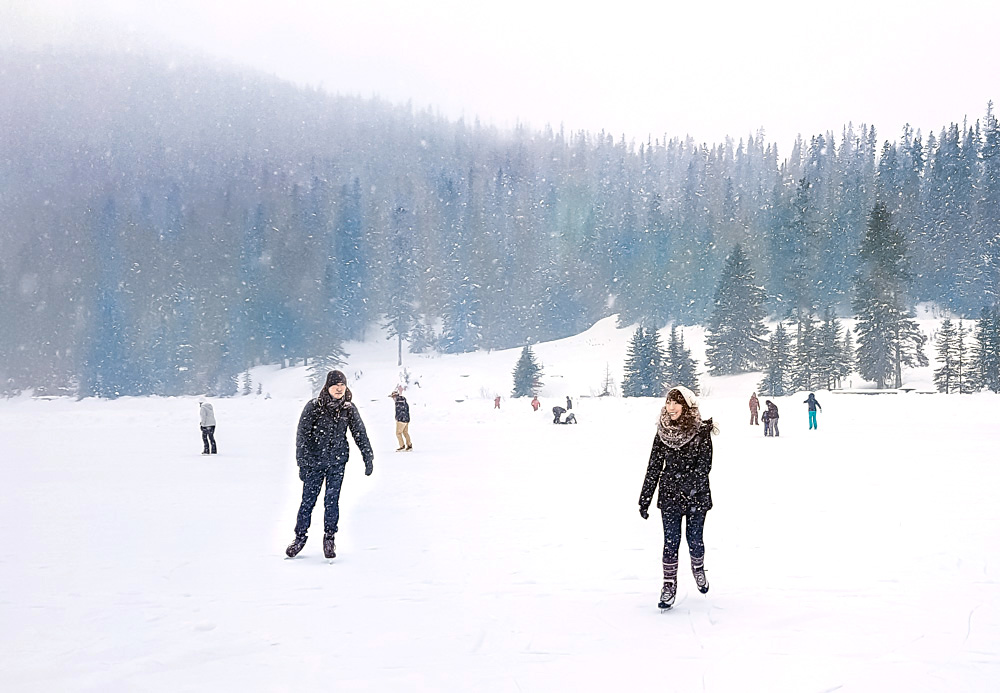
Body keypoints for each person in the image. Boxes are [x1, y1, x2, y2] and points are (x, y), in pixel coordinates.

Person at [638, 386, 716, 610]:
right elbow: (654, 467)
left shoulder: (701, 431)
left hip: (696, 496)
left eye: (676, 402)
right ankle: (669, 585)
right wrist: (645, 498)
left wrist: (691, 487)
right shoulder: (662, 433)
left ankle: (698, 569)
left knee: (695, 540)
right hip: (670, 495)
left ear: (686, 405)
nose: (670, 407)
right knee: (670, 542)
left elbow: (705, 466)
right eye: (668, 402)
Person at [286, 370, 374, 560]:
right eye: (336, 385)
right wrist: (302, 463)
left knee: (331, 501)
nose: (339, 389)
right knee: (307, 502)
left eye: (342, 385)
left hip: (337, 462)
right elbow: (302, 436)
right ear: (328, 386)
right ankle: (299, 538)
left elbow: (360, 433)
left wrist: (368, 457)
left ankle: (329, 538)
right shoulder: (314, 407)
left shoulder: (348, 408)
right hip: (314, 463)